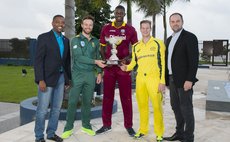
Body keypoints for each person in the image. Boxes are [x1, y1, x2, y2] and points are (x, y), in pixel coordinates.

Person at [120, 20, 166, 142]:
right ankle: (142, 130)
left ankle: (159, 133)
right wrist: (126, 68)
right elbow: (134, 63)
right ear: (140, 29)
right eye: (143, 28)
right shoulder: (136, 46)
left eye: (147, 28)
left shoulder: (158, 43)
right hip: (140, 79)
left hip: (154, 79)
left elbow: (163, 63)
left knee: (157, 107)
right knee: (142, 106)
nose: (145, 30)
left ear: (150, 29)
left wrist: (162, 81)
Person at [61, 15, 106, 139]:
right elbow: (79, 57)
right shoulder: (75, 40)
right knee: (73, 101)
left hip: (90, 75)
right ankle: (68, 128)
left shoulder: (95, 41)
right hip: (77, 75)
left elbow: (98, 56)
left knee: (87, 102)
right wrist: (96, 62)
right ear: (81, 25)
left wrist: (99, 73)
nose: (88, 27)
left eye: (90, 25)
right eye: (86, 24)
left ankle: (86, 125)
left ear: (92, 26)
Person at [96, 5, 138, 137]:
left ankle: (129, 126)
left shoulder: (130, 29)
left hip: (123, 68)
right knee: (107, 97)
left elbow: (136, 49)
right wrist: (106, 61)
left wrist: (127, 59)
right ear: (114, 13)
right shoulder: (106, 28)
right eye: (117, 12)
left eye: (121, 12)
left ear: (124, 14)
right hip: (109, 69)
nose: (119, 14)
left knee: (126, 98)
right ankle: (106, 124)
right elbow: (102, 47)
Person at [34, 15, 71, 142]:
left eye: (62, 22)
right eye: (57, 22)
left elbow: (66, 62)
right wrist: (40, 79)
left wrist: (67, 80)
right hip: (46, 79)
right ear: (52, 23)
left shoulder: (66, 40)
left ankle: (51, 133)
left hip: (61, 79)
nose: (60, 24)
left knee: (56, 109)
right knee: (42, 110)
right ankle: (39, 137)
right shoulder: (44, 38)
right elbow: (38, 61)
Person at [163, 13, 199, 142]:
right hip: (172, 80)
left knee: (186, 109)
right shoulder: (169, 39)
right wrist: (167, 80)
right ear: (170, 23)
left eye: (178, 21)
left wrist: (190, 79)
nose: (175, 23)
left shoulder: (189, 37)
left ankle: (189, 138)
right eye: (172, 21)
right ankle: (179, 133)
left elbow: (194, 61)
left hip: (184, 81)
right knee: (176, 107)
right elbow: (168, 61)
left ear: (182, 22)